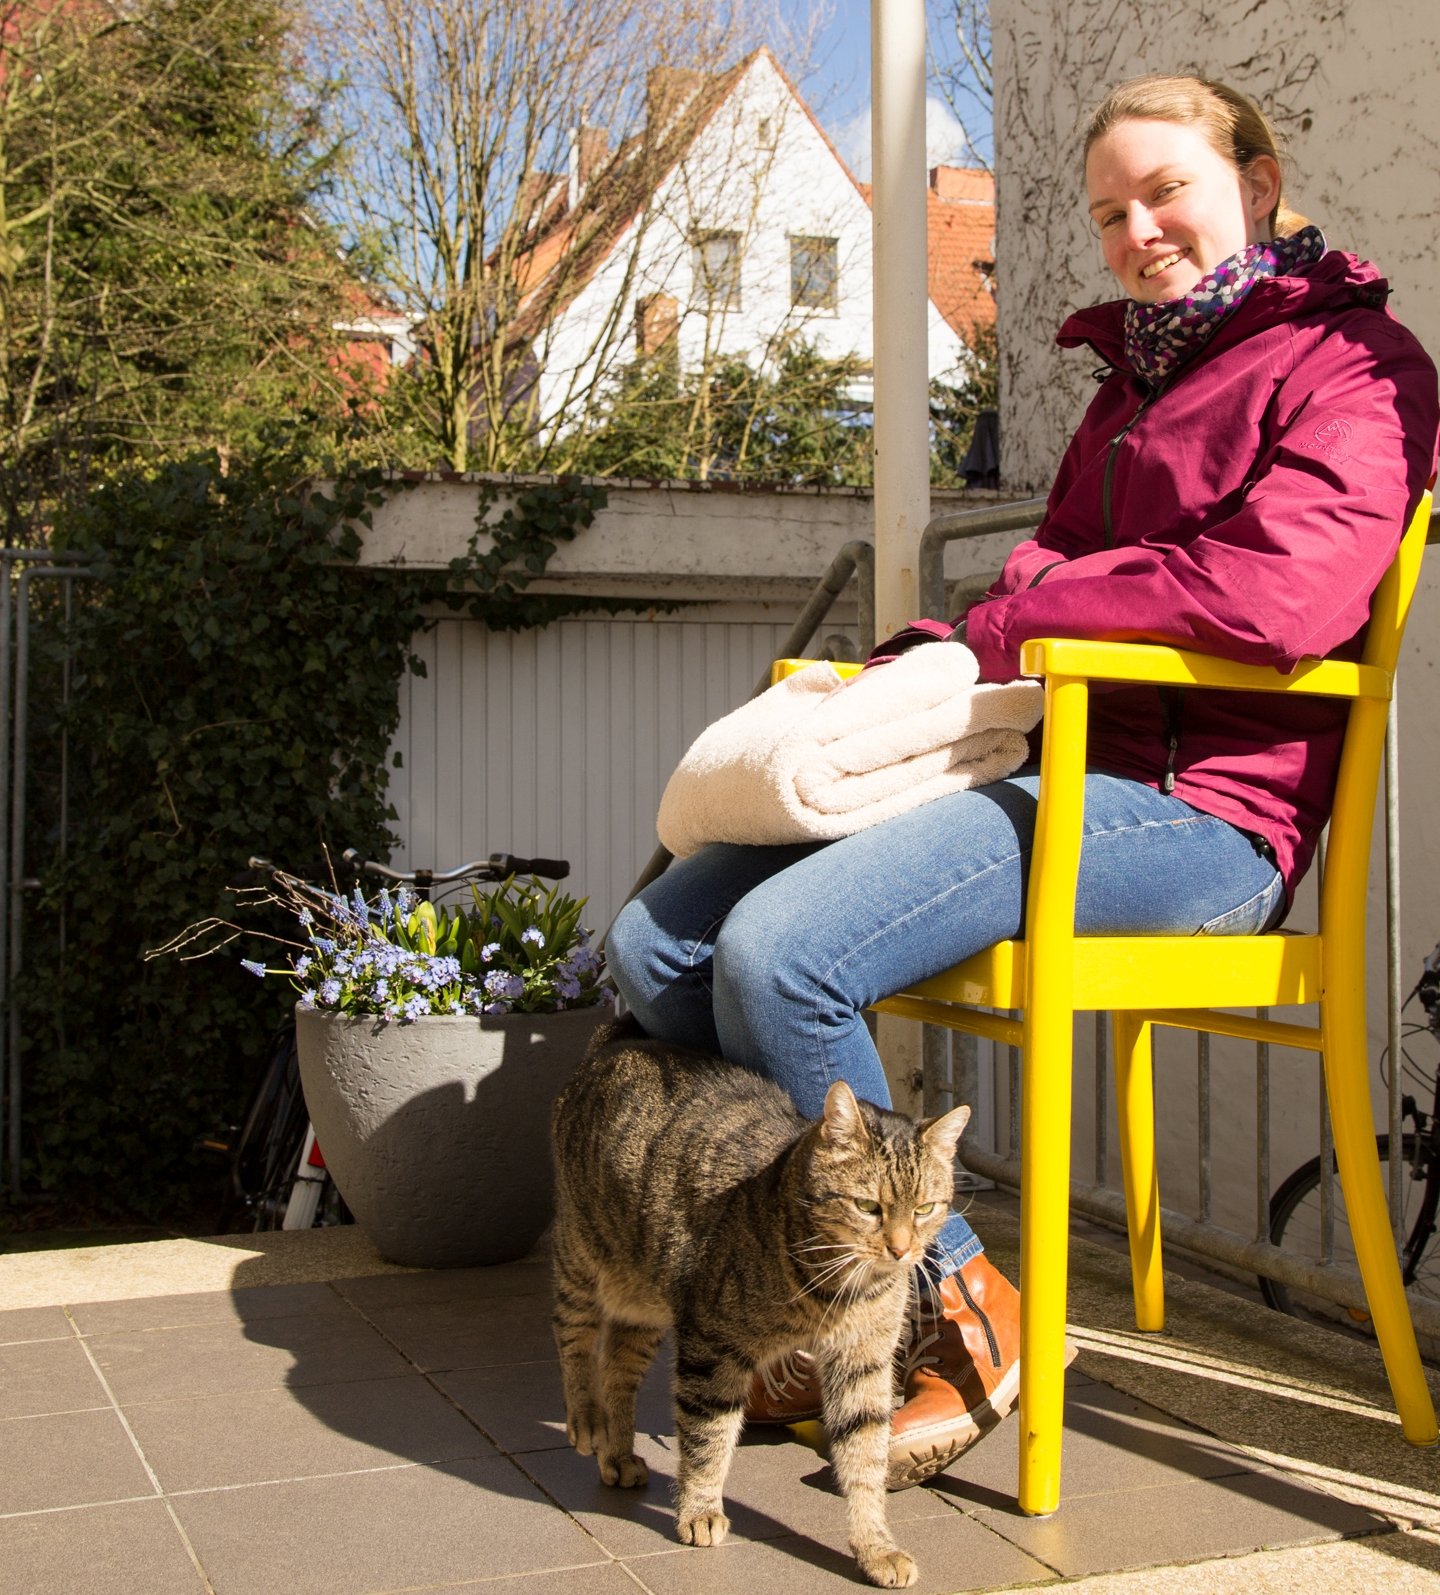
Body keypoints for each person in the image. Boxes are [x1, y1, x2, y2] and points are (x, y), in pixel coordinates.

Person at [607, 73, 1440, 1489]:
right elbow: (1033, 590)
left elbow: (1282, 602)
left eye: (1166, 190)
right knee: (660, 940)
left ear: (1256, 173)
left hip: (1204, 818)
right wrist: (908, 658)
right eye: (1112, 212)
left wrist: (1036, 606)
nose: (1139, 231)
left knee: (782, 955)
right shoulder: (1131, 389)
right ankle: (817, 1281)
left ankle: (957, 1305)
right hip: (1047, 774)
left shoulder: (1360, 365)